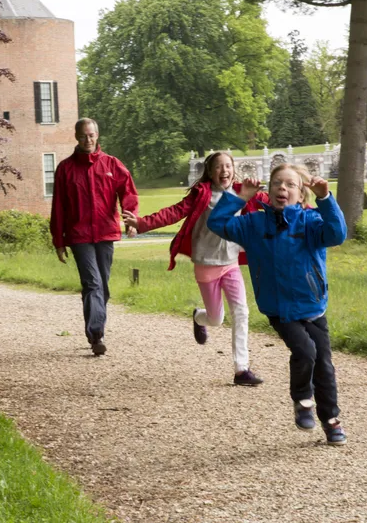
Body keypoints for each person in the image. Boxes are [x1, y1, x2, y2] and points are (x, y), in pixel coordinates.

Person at [207, 163, 348, 445]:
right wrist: (241, 197)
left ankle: (331, 420)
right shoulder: (253, 224)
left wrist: (325, 198)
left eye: (290, 184)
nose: (282, 188)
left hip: (312, 305)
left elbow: (337, 234)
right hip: (279, 308)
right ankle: (302, 400)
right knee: (305, 351)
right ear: (269, 191)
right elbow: (217, 223)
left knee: (324, 364)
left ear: (301, 195)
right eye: (277, 183)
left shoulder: (311, 222)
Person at [122, 151, 267, 386]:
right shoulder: (202, 194)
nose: (224, 171)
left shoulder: (243, 192)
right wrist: (141, 224)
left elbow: (272, 201)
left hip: (231, 263)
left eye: (228, 166)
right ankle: (199, 317)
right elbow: (173, 212)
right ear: (210, 172)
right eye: (218, 167)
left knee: (241, 312)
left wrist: (299, 202)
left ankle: (241, 369)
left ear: (234, 170)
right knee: (216, 319)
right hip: (206, 264)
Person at [50, 118, 139, 356]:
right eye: (83, 136)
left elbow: (128, 192)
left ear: (97, 135)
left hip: (105, 233)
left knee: (103, 286)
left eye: (91, 135)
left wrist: (131, 219)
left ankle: (95, 329)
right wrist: (59, 240)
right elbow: (58, 207)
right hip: (79, 236)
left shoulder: (112, 164)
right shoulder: (65, 169)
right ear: (76, 137)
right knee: (92, 283)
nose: (87, 140)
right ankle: (97, 335)